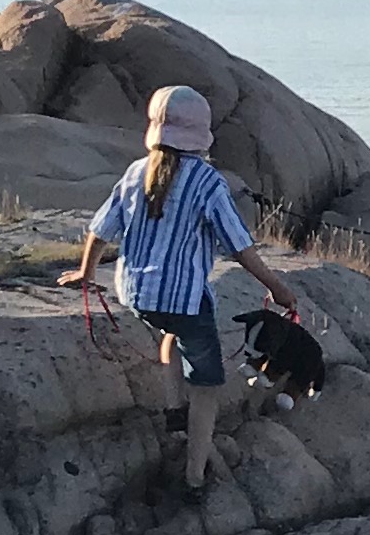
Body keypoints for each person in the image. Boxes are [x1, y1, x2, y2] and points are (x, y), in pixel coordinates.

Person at [58, 85, 295, 488]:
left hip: (135, 293)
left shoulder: (136, 172)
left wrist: (86, 273)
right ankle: (194, 476)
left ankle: (172, 409)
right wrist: (277, 288)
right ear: (200, 135)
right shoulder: (207, 182)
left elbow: (100, 231)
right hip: (183, 300)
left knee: (170, 331)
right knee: (207, 384)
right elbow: (240, 247)